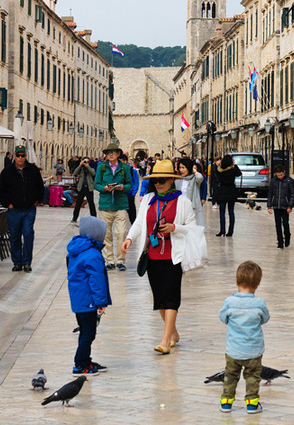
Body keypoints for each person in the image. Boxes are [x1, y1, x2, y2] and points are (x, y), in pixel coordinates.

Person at [123, 159, 206, 354]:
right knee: (159, 299)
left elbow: (193, 229)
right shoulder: (148, 199)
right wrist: (129, 239)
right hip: (152, 255)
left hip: (173, 256)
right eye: (155, 180)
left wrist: (175, 228)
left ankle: (165, 339)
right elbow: (139, 223)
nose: (158, 184)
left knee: (171, 298)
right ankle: (174, 333)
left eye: (162, 180)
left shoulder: (183, 202)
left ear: (171, 181)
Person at [218, 260, 270, 415]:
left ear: (236, 281)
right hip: (253, 350)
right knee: (253, 377)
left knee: (231, 376)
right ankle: (252, 404)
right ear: (258, 284)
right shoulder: (259, 303)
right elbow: (265, 319)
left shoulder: (230, 302)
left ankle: (226, 403)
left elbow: (223, 318)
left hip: (234, 350)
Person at [67, 216, 112, 376]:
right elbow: (96, 281)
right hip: (88, 302)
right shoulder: (92, 254)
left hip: (78, 300)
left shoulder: (76, 250)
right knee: (89, 333)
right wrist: (101, 302)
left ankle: (85, 360)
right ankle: (80, 364)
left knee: (85, 331)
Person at [0, 145, 45, 273]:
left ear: (25, 156)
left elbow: (40, 186)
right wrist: (8, 204)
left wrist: (37, 200)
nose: (20, 158)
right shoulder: (7, 172)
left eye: (22, 155)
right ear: (14, 156)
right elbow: (0, 190)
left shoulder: (33, 170)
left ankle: (27, 262)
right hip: (14, 209)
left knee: (28, 233)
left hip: (29, 208)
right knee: (14, 236)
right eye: (18, 155)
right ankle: (17, 262)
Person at [95, 141, 133, 271]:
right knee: (106, 234)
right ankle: (109, 260)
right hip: (105, 204)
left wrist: (122, 187)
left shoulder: (125, 168)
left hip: (120, 204)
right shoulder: (101, 168)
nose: (110, 154)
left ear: (118, 154)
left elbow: (129, 185)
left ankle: (121, 260)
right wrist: (105, 188)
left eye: (113, 152)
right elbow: (96, 185)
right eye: (108, 153)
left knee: (121, 233)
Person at [266, 164, 294, 249]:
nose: (280, 176)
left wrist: (290, 206)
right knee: (277, 224)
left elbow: (292, 194)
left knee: (285, 223)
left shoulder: (289, 181)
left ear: (284, 172)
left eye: (281, 175)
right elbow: (270, 194)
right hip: (276, 205)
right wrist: (269, 206)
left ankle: (287, 236)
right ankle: (280, 241)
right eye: (278, 175)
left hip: (285, 206)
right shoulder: (273, 181)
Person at [212, 154, 242, 237]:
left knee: (222, 211)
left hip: (222, 190)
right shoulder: (233, 169)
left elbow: (217, 178)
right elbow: (239, 173)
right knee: (231, 211)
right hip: (231, 190)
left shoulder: (220, 170)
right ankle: (230, 231)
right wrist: (234, 165)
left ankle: (222, 230)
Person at [175, 157, 206, 231]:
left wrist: (194, 171)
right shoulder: (178, 179)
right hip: (180, 207)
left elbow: (200, 177)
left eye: (183, 167)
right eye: (180, 168)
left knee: (192, 230)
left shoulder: (194, 179)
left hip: (192, 208)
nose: (181, 170)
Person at [71, 156, 97, 223]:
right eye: (84, 161)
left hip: (89, 187)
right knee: (78, 203)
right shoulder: (80, 169)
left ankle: (94, 218)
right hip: (81, 187)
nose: (86, 163)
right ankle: (74, 218)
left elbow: (93, 173)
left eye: (87, 161)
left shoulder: (91, 168)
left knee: (91, 203)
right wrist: (80, 165)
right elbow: (75, 173)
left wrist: (87, 166)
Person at [126, 159, 141, 225]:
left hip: (130, 193)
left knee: (131, 210)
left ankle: (133, 224)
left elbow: (136, 181)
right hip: (122, 194)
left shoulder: (132, 170)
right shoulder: (120, 170)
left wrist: (133, 193)